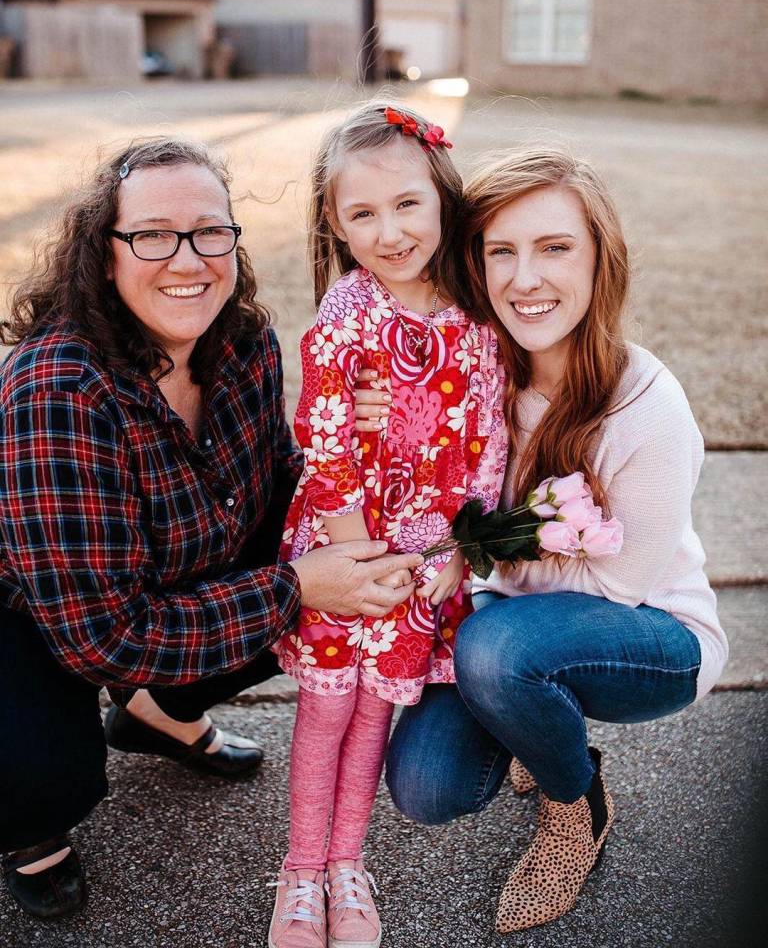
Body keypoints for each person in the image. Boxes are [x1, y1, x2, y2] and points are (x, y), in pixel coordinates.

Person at [0, 137, 422, 921]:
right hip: (35, 614)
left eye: (210, 231)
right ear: (105, 252)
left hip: (165, 574)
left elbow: (279, 481)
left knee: (337, 569)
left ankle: (155, 714)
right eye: (154, 234)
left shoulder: (245, 342)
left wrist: (363, 450)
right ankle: (29, 831)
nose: (187, 259)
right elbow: (100, 636)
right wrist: (295, 585)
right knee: (43, 776)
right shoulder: (59, 388)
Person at [356, 148, 729, 932]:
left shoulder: (647, 406)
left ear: (599, 260)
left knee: (497, 650)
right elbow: (417, 495)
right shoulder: (476, 378)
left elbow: (617, 585)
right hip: (509, 630)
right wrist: (379, 421)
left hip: (650, 636)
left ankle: (576, 805)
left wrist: (490, 547)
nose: (526, 279)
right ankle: (533, 715)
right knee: (427, 786)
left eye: (554, 248)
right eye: (502, 251)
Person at [267, 104, 507, 948]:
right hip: (344, 551)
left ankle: (345, 863)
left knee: (374, 717)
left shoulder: (480, 319)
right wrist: (354, 551)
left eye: (406, 204)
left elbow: (491, 446)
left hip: (422, 564)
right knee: (326, 714)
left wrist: (459, 554)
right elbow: (323, 437)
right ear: (333, 224)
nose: (389, 231)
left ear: (443, 196)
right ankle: (299, 873)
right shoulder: (348, 309)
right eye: (360, 214)